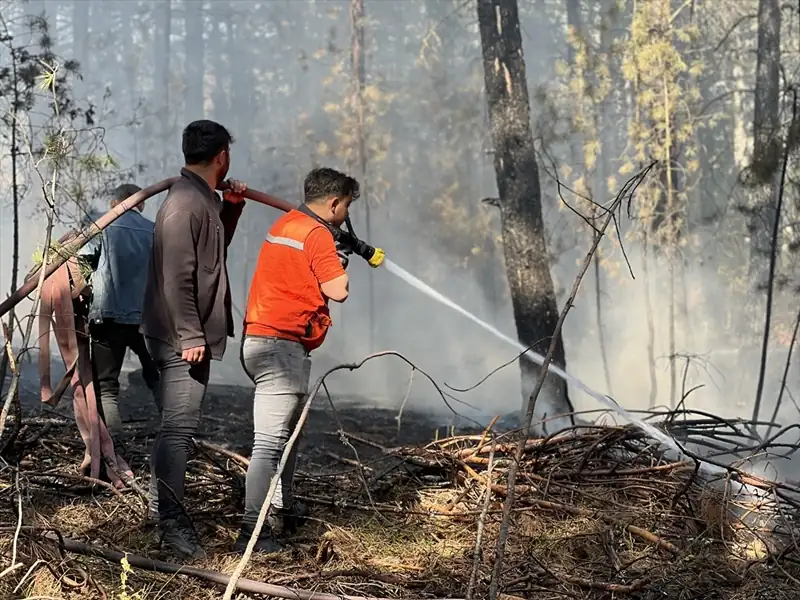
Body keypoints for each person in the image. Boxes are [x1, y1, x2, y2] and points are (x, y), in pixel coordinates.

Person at [234, 167, 356, 554]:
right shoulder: (317, 234)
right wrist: (340, 263)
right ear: (334, 203)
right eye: (347, 206)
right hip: (280, 348)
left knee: (289, 434)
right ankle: (253, 532)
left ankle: (284, 507)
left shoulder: (287, 224)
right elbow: (338, 291)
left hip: (262, 342)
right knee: (269, 443)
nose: (345, 214)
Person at [141, 119, 247, 559]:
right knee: (179, 431)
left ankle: (160, 510)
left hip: (184, 333)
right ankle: (173, 528)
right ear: (222, 155)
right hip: (178, 336)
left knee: (174, 429)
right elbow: (176, 277)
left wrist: (233, 207)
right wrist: (189, 334)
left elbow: (211, 257)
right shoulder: (185, 204)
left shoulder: (202, 202)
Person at [80, 185, 160, 446]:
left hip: (109, 318)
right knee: (157, 377)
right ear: (141, 205)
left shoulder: (102, 225)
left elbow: (82, 263)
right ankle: (176, 436)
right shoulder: (155, 230)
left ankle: (117, 445)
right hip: (147, 319)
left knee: (107, 387)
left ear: (114, 202)